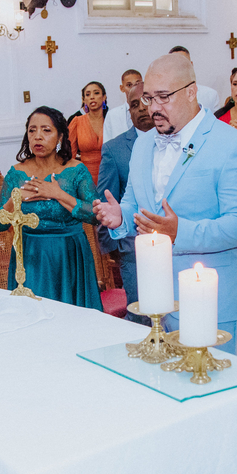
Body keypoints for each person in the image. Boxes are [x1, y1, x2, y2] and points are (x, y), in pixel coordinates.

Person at [93, 52, 237, 357]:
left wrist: (179, 232)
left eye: (163, 97)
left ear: (191, 92)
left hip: (214, 298)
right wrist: (121, 217)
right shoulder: (144, 142)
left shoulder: (233, 143)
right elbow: (134, 203)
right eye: (148, 98)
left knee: (215, 391)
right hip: (157, 296)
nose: (154, 108)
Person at [0, 106, 102, 309]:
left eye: (46, 130)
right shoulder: (17, 173)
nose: (38, 137)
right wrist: (14, 199)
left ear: (60, 136)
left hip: (69, 256)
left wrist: (58, 194)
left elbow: (95, 215)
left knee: (71, 321)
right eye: (32, 131)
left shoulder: (75, 170)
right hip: (30, 257)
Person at [99, 87, 155, 325]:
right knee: (142, 318)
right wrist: (115, 246)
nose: (141, 108)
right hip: (133, 251)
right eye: (134, 105)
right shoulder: (115, 149)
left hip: (176, 248)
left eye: (145, 101)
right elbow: (107, 198)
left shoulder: (180, 142)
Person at [69, 81, 107, 185]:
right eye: (88, 94)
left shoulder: (111, 120)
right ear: (84, 100)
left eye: (96, 93)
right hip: (85, 177)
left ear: (104, 97)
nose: (92, 97)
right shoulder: (77, 122)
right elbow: (69, 154)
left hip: (109, 174)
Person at [168, 45, 221, 110]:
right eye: (175, 63)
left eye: (183, 63)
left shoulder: (210, 95)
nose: (179, 67)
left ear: (191, 64)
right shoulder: (162, 96)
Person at [103, 69, 142, 143]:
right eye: (129, 85)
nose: (133, 88)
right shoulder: (112, 115)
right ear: (122, 88)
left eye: (137, 84)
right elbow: (107, 144)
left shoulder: (150, 110)